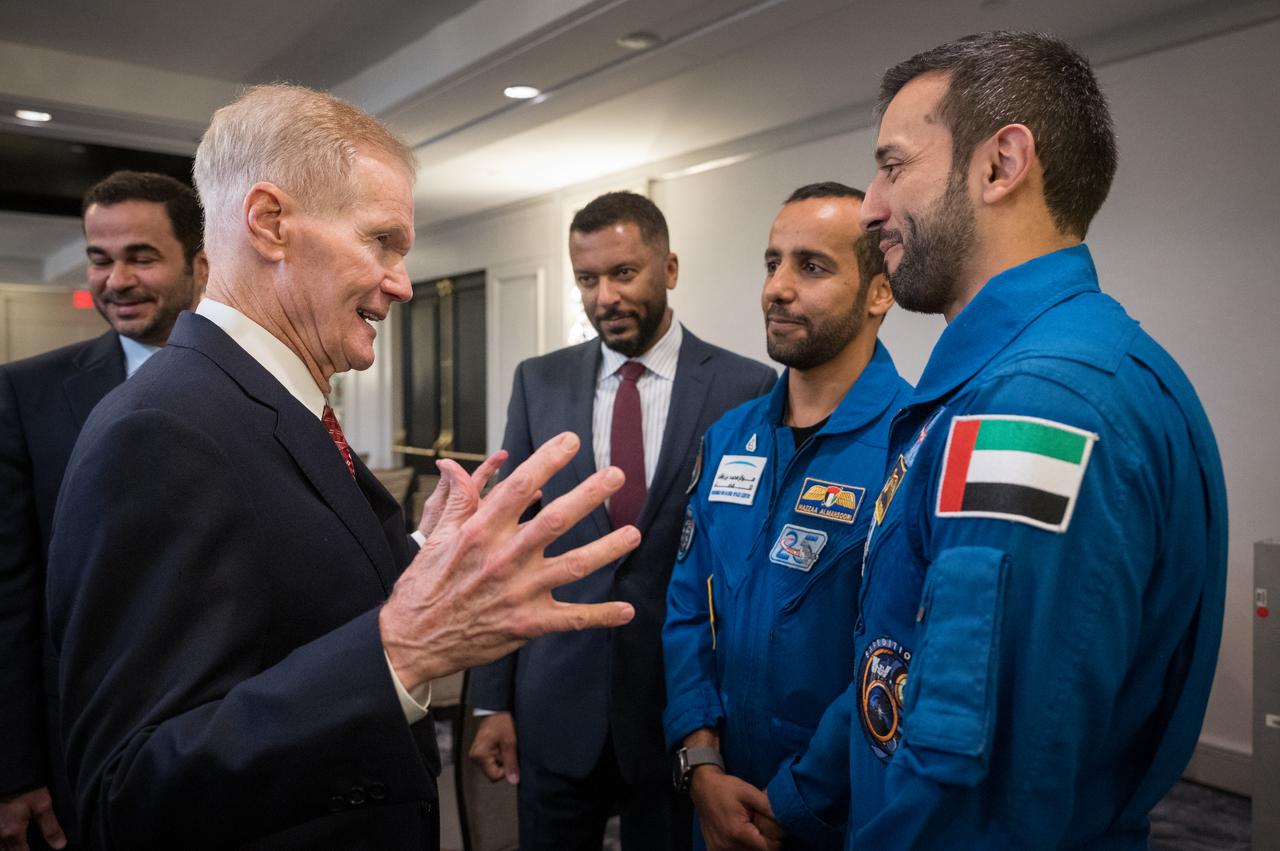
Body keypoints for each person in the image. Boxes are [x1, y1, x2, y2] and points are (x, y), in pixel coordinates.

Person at [45, 84, 641, 850]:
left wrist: (427, 560)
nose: (401, 280)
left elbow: (298, 615)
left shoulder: (273, 406)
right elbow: (127, 790)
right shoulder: (164, 429)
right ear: (270, 222)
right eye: (381, 241)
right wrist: (403, 649)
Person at [764, 32, 1227, 849]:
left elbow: (977, 796)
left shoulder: (1037, 407)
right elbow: (902, 659)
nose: (871, 208)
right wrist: (797, 801)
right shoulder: (1011, 382)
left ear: (1000, 164)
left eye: (894, 166)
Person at [467, 191, 776, 850]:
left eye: (624, 273)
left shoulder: (746, 388)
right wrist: (493, 700)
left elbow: (743, 565)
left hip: (681, 711)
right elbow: (507, 546)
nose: (604, 295)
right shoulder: (538, 382)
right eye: (587, 278)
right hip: (553, 698)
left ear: (669, 269)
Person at [663, 183, 910, 851]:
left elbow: (895, 661)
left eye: (812, 265)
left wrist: (793, 799)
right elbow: (687, 609)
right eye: (772, 262)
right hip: (717, 795)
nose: (777, 287)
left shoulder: (914, 446)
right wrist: (701, 762)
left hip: (837, 810)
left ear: (880, 292)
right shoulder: (730, 436)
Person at [0, 171, 206, 851]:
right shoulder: (26, 394)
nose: (115, 280)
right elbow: (11, 597)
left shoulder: (258, 383)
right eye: (100, 257)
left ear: (197, 263)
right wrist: (15, 767)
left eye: (141, 256)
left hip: (227, 737)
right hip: (79, 748)